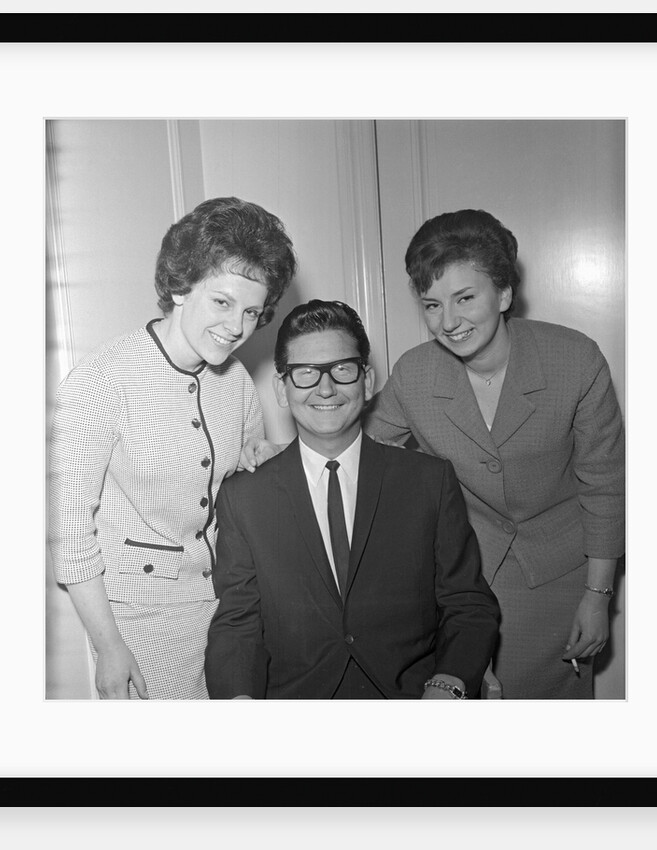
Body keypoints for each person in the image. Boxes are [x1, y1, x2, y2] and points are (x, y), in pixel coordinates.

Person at [364, 209, 625, 699]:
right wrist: (274, 451)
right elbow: (363, 454)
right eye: (432, 304)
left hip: (562, 580)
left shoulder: (576, 359)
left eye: (465, 298)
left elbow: (605, 484)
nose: (449, 321)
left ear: (504, 293)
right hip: (464, 581)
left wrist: (599, 596)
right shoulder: (415, 373)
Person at [48, 196, 297, 700]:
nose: (236, 327)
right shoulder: (102, 379)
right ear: (181, 286)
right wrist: (109, 647)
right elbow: (70, 535)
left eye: (252, 311)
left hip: (231, 613)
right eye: (222, 302)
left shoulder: (238, 382)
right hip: (139, 622)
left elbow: (240, 490)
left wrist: (261, 461)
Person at [205, 300, 500, 700]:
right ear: (281, 388)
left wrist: (448, 684)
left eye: (342, 369)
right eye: (305, 374)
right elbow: (237, 622)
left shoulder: (428, 481)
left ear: (367, 380)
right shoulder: (245, 496)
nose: (325, 389)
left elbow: (468, 604)